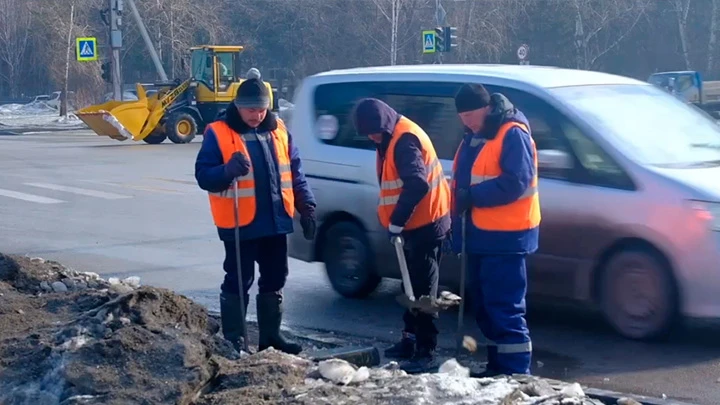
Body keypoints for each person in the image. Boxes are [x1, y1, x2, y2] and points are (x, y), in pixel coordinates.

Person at [194, 77, 317, 355]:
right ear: (237, 106)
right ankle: (235, 340)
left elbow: (294, 173)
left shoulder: (279, 131)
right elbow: (204, 176)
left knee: (275, 277)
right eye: (250, 110)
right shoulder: (218, 132)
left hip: (275, 220)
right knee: (239, 279)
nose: (256, 115)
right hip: (240, 222)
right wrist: (227, 170)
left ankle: (271, 337)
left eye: (261, 109)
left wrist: (307, 206)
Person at [352, 98, 451, 373]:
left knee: (422, 289)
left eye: (373, 132)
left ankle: (426, 351)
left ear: (383, 125)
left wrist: (397, 221)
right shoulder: (389, 138)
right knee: (409, 285)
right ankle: (409, 340)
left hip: (426, 224)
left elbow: (417, 183)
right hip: (412, 225)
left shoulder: (405, 140)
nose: (371, 137)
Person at [450, 83, 541, 376]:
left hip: (507, 237)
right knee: (487, 308)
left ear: (486, 107)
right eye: (462, 116)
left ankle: (515, 375)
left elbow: (517, 182)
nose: (466, 120)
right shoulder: (475, 135)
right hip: (481, 235)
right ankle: (497, 368)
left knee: (505, 308)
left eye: (470, 114)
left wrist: (473, 196)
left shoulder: (512, 133)